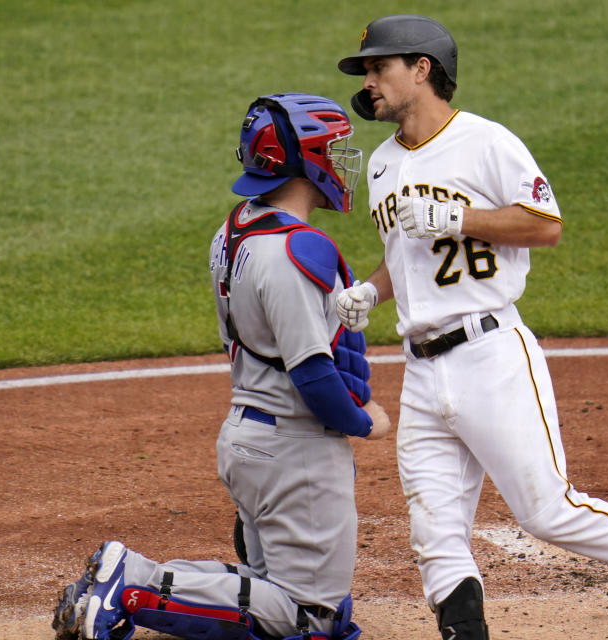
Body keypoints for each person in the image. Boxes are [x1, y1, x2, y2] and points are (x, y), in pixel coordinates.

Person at [334, 14, 608, 640]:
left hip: (490, 354)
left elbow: (545, 225)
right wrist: (370, 292)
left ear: (422, 69)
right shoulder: (382, 162)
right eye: (367, 70)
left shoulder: (486, 142)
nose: (370, 80)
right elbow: (409, 253)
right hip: (420, 369)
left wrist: (458, 216)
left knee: (546, 510)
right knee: (435, 534)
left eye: (380, 67)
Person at [51, 92, 390, 640]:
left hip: (251, 439)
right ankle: (129, 592)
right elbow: (313, 374)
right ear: (303, 159)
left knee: (271, 586)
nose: (342, 160)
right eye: (332, 149)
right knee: (312, 618)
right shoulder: (293, 252)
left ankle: (131, 574)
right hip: (294, 449)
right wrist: (365, 421)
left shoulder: (234, 229)